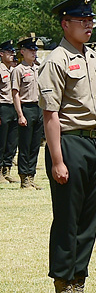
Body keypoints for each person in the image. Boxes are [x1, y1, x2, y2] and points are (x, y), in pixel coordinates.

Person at [38, 0, 96, 293]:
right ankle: (64, 290)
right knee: (68, 220)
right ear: (65, 24)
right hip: (70, 143)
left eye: (90, 20)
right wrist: (57, 159)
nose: (88, 25)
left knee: (88, 221)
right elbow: (50, 114)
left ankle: (79, 286)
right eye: (82, 20)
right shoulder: (55, 59)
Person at [10, 38, 44, 190]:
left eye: (35, 50)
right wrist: (20, 115)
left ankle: (31, 176)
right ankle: (24, 177)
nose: (34, 53)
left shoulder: (37, 69)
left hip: (39, 108)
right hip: (26, 108)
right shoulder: (18, 70)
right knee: (25, 145)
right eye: (31, 50)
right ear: (22, 52)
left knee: (35, 145)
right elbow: (15, 94)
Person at [0, 41, 17, 183]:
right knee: (1, 140)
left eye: (13, 52)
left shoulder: (13, 70)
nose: (12, 55)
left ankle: (7, 169)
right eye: (9, 52)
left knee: (12, 142)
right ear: (1, 54)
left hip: (14, 107)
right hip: (3, 107)